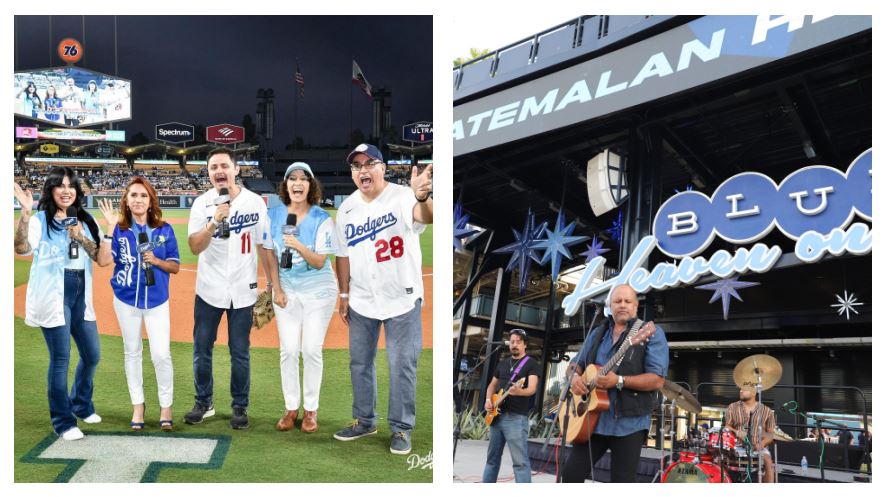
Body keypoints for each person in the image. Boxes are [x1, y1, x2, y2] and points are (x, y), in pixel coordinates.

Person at [332, 143, 433, 455]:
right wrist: (344, 293)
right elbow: (343, 254)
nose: (363, 170)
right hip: (362, 299)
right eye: (357, 166)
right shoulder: (346, 209)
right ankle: (364, 421)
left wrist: (422, 196)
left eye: (370, 163)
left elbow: (424, 217)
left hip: (401, 297)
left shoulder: (403, 196)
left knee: (401, 363)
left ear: (383, 168)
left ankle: (401, 429)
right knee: (359, 363)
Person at [13, 167, 113, 441]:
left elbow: (101, 259)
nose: (66, 190)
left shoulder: (85, 219)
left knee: (92, 355)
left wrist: (86, 234)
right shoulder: (40, 220)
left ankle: (81, 404)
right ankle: (63, 421)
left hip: (81, 292)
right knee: (60, 360)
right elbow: (21, 248)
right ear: (51, 190)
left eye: (71, 186)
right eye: (60, 186)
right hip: (53, 294)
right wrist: (24, 213)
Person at [184, 147, 276, 429]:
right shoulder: (202, 204)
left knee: (240, 351)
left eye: (224, 165)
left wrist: (272, 284)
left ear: (236, 169)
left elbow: (264, 245)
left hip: (244, 290)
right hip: (209, 290)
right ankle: (204, 402)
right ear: (209, 173)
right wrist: (214, 222)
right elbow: (194, 246)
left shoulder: (255, 202)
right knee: (202, 348)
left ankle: (240, 406)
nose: (219, 171)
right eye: (213, 167)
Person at [559, 284, 668, 483]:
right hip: (592, 420)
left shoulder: (649, 333)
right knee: (570, 475)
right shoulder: (599, 332)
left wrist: (618, 380)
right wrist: (573, 378)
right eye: (618, 301)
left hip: (629, 423)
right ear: (610, 305)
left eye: (628, 301)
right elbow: (576, 364)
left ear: (636, 306)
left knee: (621, 482)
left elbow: (657, 379)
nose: (623, 305)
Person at [98, 177, 180, 431]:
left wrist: (156, 260)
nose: (138, 200)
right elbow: (103, 260)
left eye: (143, 195)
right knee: (132, 352)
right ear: (126, 200)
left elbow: (175, 266)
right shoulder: (119, 230)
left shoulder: (164, 230)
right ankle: (138, 406)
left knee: (161, 354)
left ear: (151, 200)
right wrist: (109, 230)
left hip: (157, 301)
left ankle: (165, 406)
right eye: (133, 195)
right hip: (126, 300)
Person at [267, 162, 338, 433]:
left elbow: (320, 261)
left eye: (303, 179)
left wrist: (297, 244)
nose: (297, 183)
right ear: (286, 185)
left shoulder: (321, 218)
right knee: (288, 350)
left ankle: (311, 410)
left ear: (311, 185)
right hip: (287, 290)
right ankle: (291, 408)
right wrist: (276, 288)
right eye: (292, 178)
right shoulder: (273, 215)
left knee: (310, 349)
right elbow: (268, 254)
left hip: (318, 291)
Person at [482, 328, 540, 483]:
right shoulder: (502, 363)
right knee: (491, 460)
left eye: (518, 342)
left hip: (516, 419)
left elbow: (532, 389)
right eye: (512, 342)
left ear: (525, 344)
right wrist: (488, 401)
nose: (515, 345)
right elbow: (491, 386)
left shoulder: (531, 363)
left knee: (520, 463)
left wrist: (518, 392)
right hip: (496, 418)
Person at [725, 388, 776, 483]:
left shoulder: (767, 411)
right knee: (719, 458)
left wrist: (762, 443)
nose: (740, 391)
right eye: (740, 389)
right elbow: (727, 426)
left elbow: (771, 434)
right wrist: (736, 431)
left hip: (758, 447)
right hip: (735, 446)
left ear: (754, 393)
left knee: (768, 461)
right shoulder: (732, 407)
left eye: (744, 389)